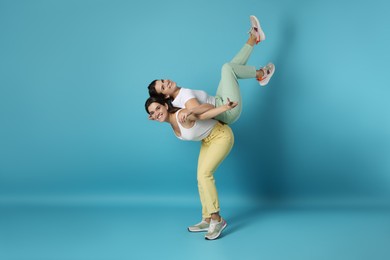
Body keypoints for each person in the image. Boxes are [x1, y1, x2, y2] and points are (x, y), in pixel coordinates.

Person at [148, 15, 275, 125]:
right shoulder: (184, 96)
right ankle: (262, 74)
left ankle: (254, 38)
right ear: (165, 95)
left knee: (230, 68)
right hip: (228, 110)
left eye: (163, 81)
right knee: (227, 68)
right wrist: (193, 110)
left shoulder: (179, 96)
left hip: (219, 99)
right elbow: (202, 115)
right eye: (163, 87)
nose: (166, 83)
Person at [145, 95, 238, 240]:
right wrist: (156, 115)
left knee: (205, 175)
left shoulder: (181, 115)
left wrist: (225, 107)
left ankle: (217, 219)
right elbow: (158, 115)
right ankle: (207, 219)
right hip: (207, 141)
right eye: (152, 113)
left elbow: (206, 111)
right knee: (200, 178)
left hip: (221, 135)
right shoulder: (170, 122)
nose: (156, 113)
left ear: (166, 105)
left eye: (158, 108)